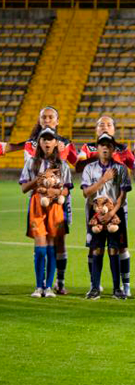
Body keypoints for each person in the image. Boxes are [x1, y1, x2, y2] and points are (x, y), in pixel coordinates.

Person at [4, 107, 79, 294]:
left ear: (57, 120)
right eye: (43, 117)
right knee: (42, 242)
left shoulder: (65, 145)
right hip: (37, 199)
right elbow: (9, 148)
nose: (47, 119)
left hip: (59, 201)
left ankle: (57, 282)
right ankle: (40, 285)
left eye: (50, 117)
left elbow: (77, 163)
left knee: (58, 242)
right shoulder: (31, 146)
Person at [76, 115, 135, 296]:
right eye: (102, 145)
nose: (105, 148)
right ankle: (95, 287)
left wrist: (112, 213)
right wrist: (103, 180)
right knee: (96, 249)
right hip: (94, 215)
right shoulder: (89, 168)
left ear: (112, 148)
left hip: (115, 215)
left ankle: (118, 288)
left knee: (114, 248)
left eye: (108, 146)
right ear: (98, 147)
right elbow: (86, 193)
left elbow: (123, 195)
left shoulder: (121, 168)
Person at [19, 127, 72, 298]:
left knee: (51, 248)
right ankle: (38, 286)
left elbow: (66, 191)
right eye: (44, 139)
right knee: (40, 249)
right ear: (39, 143)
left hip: (55, 206)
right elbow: (24, 188)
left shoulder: (62, 165)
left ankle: (48, 287)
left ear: (56, 142)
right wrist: (41, 177)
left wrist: (55, 193)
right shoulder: (32, 163)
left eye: (50, 139)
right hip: (37, 205)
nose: (47, 142)